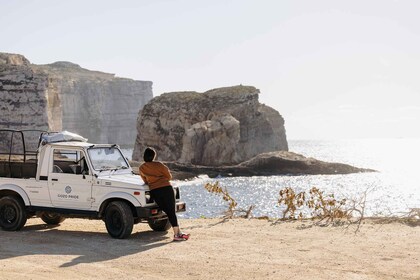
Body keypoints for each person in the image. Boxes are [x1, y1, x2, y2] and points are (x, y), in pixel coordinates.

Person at [139, 147, 190, 241]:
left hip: (155, 191)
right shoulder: (159, 165)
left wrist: (152, 181)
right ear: (153, 156)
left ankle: (178, 233)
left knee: (167, 210)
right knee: (171, 211)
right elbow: (169, 176)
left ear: (144, 156)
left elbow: (145, 180)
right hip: (166, 188)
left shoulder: (142, 168)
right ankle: (177, 234)